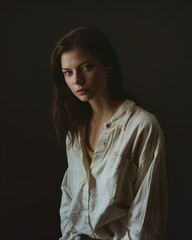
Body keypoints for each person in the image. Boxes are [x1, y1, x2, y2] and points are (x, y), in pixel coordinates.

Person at [50, 27, 168, 240]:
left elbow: (146, 222)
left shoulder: (141, 127)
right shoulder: (74, 131)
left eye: (86, 67)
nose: (77, 80)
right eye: (68, 72)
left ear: (107, 65)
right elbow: (69, 204)